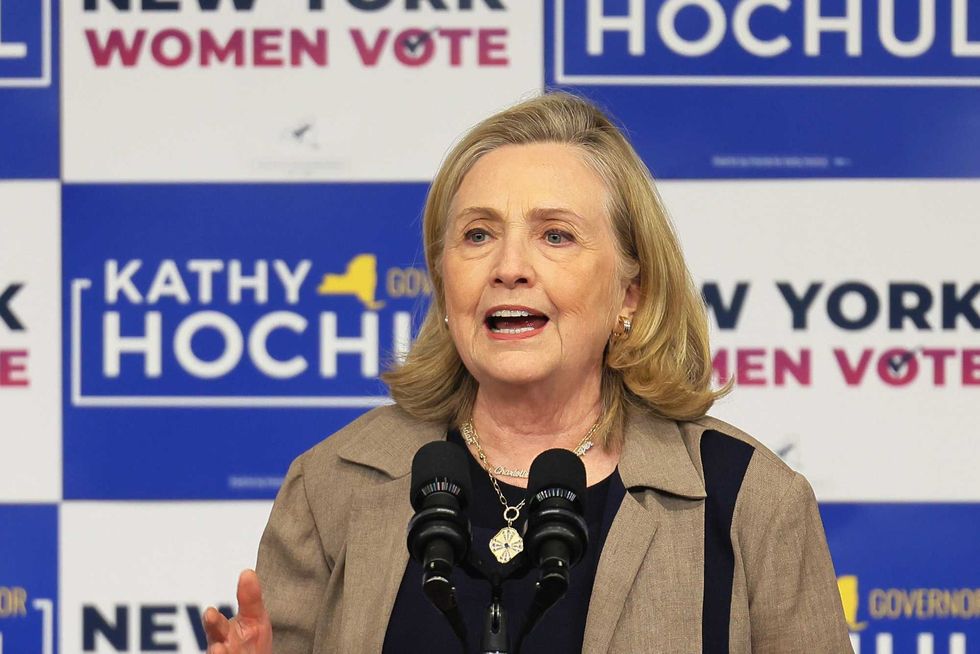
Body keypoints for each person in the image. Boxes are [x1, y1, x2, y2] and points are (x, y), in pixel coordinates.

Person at [202, 92, 852, 653]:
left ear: (630, 292)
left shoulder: (747, 501)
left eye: (556, 236)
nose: (508, 267)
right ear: (443, 277)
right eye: (478, 235)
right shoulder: (333, 484)